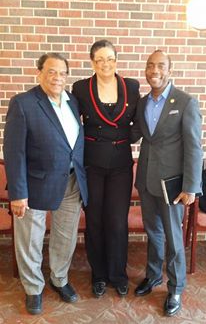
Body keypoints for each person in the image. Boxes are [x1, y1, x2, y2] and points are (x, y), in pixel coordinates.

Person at [3, 53, 88, 315]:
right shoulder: (24, 103)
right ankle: (33, 288)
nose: (57, 78)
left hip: (71, 182)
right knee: (30, 239)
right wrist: (18, 194)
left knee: (65, 235)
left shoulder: (72, 101)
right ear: (39, 72)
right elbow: (14, 152)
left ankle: (59, 278)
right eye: (51, 71)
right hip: (35, 184)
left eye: (62, 73)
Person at [131, 49, 203, 316]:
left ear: (169, 69)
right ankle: (153, 276)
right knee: (154, 233)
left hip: (173, 186)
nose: (154, 70)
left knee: (173, 239)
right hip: (147, 182)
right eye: (150, 65)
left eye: (160, 65)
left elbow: (194, 148)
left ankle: (175, 287)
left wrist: (191, 187)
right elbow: (135, 134)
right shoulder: (142, 103)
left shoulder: (185, 102)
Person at [72, 39, 140, 297]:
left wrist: (125, 138)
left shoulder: (131, 87)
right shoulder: (80, 88)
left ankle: (118, 274)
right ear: (92, 62)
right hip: (92, 163)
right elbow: (71, 122)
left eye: (110, 58)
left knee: (117, 222)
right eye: (99, 59)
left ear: (116, 60)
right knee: (95, 221)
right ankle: (98, 275)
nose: (105, 64)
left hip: (121, 164)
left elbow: (141, 121)